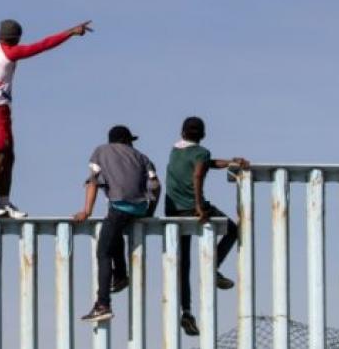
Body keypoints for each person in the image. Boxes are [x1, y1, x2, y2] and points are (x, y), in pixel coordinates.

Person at [0, 18, 93, 218]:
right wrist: (70, 32)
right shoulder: (11, 52)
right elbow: (43, 45)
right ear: (16, 39)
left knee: (9, 156)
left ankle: (4, 201)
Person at [164, 116, 249, 336]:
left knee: (184, 263)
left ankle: (187, 312)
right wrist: (200, 206)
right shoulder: (201, 152)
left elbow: (208, 164)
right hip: (193, 208)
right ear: (202, 135)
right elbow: (199, 172)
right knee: (232, 229)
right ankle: (213, 267)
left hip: (173, 210)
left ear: (182, 133)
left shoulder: (175, 150)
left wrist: (230, 162)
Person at [75, 125, 160, 323]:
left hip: (120, 207)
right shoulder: (141, 156)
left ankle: (102, 304)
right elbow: (155, 185)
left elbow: (94, 181)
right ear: (127, 140)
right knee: (115, 233)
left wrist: (86, 211)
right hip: (139, 208)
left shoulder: (101, 151)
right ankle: (121, 276)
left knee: (103, 252)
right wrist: (149, 212)